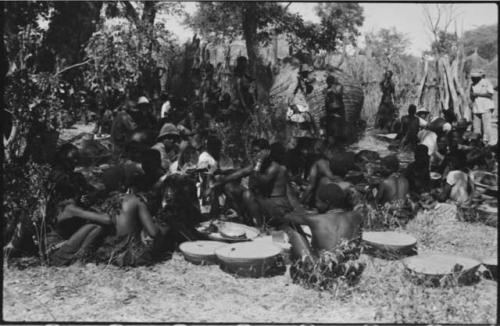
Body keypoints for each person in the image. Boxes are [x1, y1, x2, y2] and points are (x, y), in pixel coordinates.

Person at [209, 140, 293, 227]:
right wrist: (215, 184)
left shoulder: (274, 167)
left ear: (267, 152)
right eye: (252, 152)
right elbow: (238, 174)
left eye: (256, 151)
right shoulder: (255, 165)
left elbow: (262, 181)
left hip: (274, 205)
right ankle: (245, 219)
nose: (253, 154)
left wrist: (258, 165)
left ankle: (261, 226)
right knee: (229, 187)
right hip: (259, 201)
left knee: (247, 194)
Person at [470, 69, 495, 145]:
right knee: (476, 127)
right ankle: (477, 142)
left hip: (485, 107)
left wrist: (477, 94)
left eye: (474, 77)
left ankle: (487, 142)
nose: (473, 79)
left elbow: (490, 94)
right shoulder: (472, 85)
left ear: (479, 77)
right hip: (476, 107)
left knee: (486, 126)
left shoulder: (486, 82)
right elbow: (471, 95)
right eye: (472, 77)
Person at [322, 75, 345, 146]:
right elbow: (326, 99)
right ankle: (332, 140)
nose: (328, 83)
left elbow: (338, 92)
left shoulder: (338, 87)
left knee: (336, 126)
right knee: (330, 127)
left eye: (329, 82)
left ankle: (336, 140)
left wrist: (329, 90)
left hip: (337, 109)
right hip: (331, 110)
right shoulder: (327, 89)